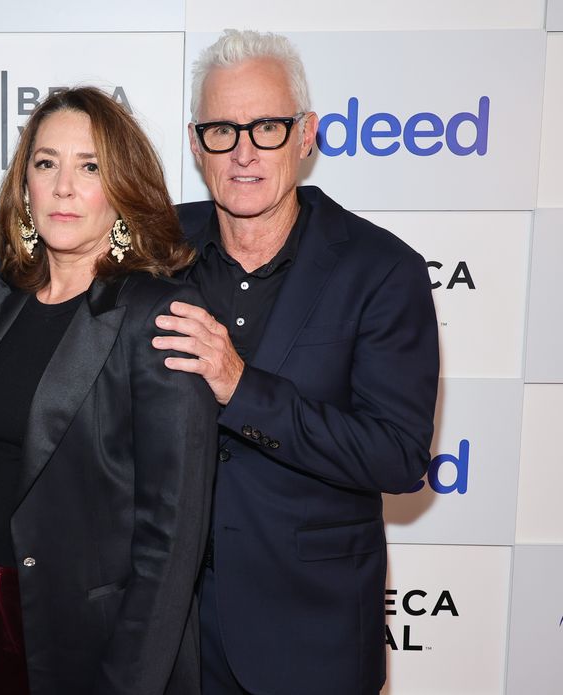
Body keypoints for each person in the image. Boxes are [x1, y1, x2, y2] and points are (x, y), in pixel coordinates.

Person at [152, 30, 440, 694]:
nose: (244, 151)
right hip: (173, 637)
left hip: (311, 638)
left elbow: (397, 454)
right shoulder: (156, 244)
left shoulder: (381, 269)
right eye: (222, 130)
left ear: (306, 135)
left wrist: (241, 386)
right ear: (197, 144)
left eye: (268, 127)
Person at [0, 87, 217, 695]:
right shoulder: (7, 299)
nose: (64, 186)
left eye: (89, 166)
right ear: (25, 187)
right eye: (46, 164)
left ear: (122, 188)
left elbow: (172, 541)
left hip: (94, 639)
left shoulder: (160, 313)